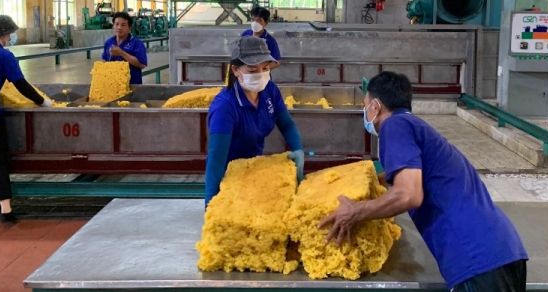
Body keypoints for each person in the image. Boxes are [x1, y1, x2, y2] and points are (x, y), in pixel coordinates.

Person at [319, 71, 528, 292]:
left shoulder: (394, 126)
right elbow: (402, 176)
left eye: (365, 105)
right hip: (504, 249)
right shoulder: (416, 126)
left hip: (476, 260)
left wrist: (355, 212)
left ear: (376, 106)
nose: (365, 111)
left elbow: (409, 194)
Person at [205, 36, 304, 206]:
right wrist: (211, 205)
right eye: (252, 71)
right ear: (236, 70)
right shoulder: (225, 107)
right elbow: (216, 160)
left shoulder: (269, 91)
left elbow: (287, 125)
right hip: (230, 177)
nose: (260, 75)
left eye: (265, 68)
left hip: (255, 169)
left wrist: (298, 149)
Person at [0, 15, 52, 223]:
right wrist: (43, 102)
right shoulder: (3, 55)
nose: (11, 37)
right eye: (9, 33)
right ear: (3, 34)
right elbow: (21, 85)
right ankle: (6, 211)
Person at [102, 12, 147, 85]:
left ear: (129, 28)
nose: (119, 27)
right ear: (113, 26)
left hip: (132, 86)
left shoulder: (137, 44)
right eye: (116, 24)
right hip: (112, 86)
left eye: (123, 25)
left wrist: (121, 53)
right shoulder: (108, 43)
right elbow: (105, 60)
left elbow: (142, 64)